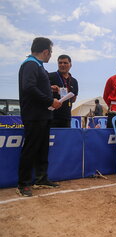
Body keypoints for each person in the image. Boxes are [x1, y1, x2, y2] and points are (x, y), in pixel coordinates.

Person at [18, 37, 62, 197]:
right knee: (30, 149)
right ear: (45, 52)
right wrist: (50, 100)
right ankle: (23, 184)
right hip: (34, 115)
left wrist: (49, 88)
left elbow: (35, 85)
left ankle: (41, 178)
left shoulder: (38, 66)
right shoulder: (30, 64)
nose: (51, 55)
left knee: (42, 148)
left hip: (43, 115)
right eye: (50, 52)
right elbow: (28, 87)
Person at [49, 55, 79, 128]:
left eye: (65, 63)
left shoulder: (74, 81)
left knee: (64, 138)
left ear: (70, 65)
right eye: (60, 63)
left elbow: (74, 99)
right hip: (51, 116)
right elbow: (41, 91)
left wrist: (68, 95)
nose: (62, 65)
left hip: (66, 117)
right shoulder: (50, 76)